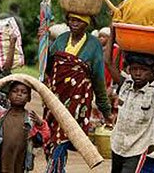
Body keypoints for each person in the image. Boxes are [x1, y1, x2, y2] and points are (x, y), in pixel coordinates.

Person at [40, 13, 113, 172]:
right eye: (71, 20)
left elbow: (98, 78)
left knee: (62, 137)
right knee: (51, 136)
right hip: (55, 96)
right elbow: (47, 67)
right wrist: (42, 44)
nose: (74, 23)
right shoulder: (61, 39)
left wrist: (105, 110)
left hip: (78, 100)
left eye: (79, 21)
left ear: (86, 24)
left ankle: (54, 170)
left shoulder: (93, 45)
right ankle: (57, 168)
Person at [108, 24, 154, 173]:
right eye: (134, 69)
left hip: (137, 149)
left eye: (143, 70)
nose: (137, 73)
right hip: (117, 145)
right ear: (129, 70)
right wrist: (118, 38)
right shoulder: (125, 85)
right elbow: (109, 62)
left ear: (153, 73)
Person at [0, 81, 50, 173]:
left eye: (24, 92)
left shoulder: (31, 119)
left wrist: (40, 124)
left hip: (20, 164)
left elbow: (43, 139)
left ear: (29, 98)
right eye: (15, 91)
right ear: (8, 95)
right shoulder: (0, 116)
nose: (19, 94)